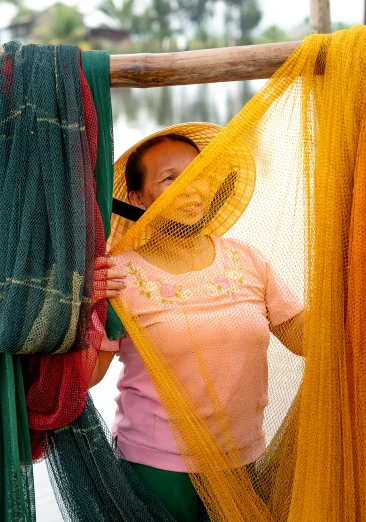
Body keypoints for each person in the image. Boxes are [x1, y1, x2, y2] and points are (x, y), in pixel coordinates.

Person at [90, 123, 305, 522]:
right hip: (158, 469)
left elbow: (302, 337)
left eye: (198, 175)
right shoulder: (117, 276)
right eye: (170, 179)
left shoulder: (246, 260)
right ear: (137, 198)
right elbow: (89, 377)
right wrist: (85, 303)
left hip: (242, 457)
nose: (190, 189)